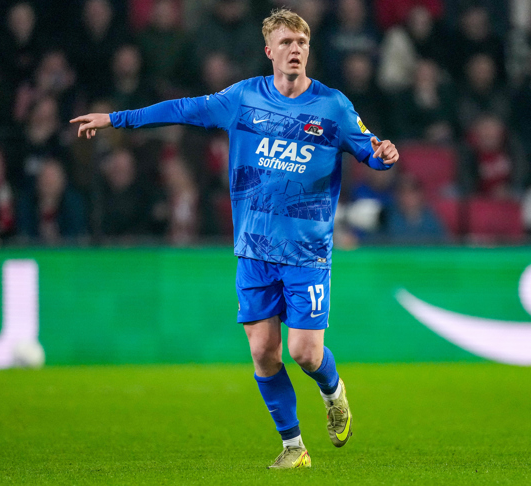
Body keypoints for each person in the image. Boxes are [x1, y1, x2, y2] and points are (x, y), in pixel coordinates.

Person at [71, 8, 399, 469]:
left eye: (301, 43)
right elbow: (183, 109)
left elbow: (371, 149)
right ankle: (294, 447)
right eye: (286, 43)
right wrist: (116, 118)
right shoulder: (243, 98)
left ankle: (333, 392)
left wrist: (384, 154)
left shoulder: (333, 106)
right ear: (269, 51)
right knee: (263, 352)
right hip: (254, 250)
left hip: (306, 253)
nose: (295, 50)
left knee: (305, 353)